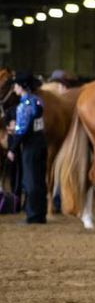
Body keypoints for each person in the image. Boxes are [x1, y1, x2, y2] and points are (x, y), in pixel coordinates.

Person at [7, 71, 47, 224]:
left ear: (22, 86)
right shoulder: (38, 101)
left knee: (30, 180)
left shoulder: (24, 105)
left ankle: (32, 215)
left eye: (16, 85)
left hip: (30, 146)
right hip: (41, 142)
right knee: (40, 180)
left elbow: (22, 130)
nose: (14, 88)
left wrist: (12, 148)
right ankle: (40, 213)